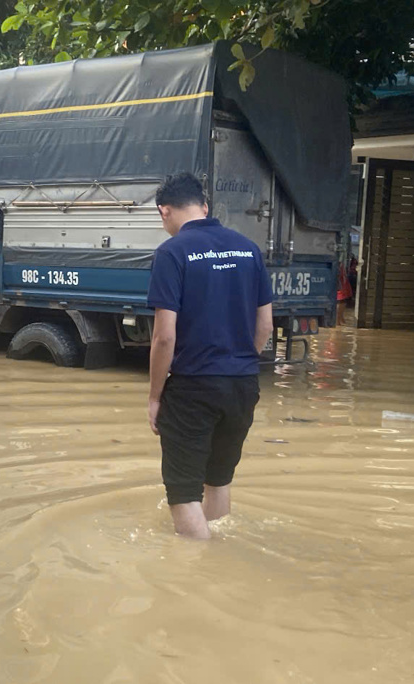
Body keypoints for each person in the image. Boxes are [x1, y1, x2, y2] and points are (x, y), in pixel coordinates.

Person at [146, 173, 274, 540]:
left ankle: (199, 579)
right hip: (243, 385)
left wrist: (155, 397)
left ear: (164, 211)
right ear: (204, 207)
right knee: (217, 481)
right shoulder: (248, 248)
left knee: (183, 492)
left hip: (193, 387)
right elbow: (265, 323)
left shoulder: (171, 253)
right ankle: (223, 558)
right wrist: (240, 362)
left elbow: (164, 337)